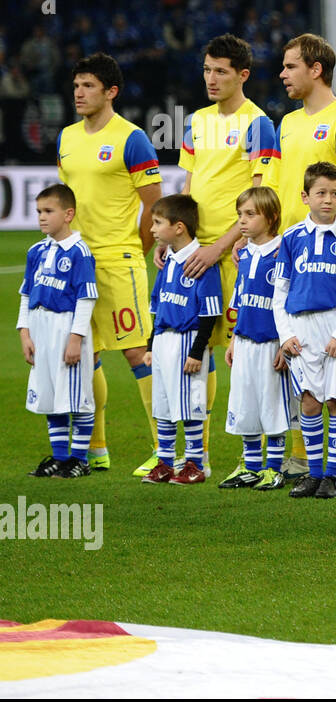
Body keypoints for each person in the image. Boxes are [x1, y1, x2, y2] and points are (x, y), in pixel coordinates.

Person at [255, 34, 336, 486]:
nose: (282, 75)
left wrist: (326, 237)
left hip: (333, 258)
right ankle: (307, 461)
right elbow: (281, 188)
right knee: (301, 359)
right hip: (292, 250)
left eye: (289, 66)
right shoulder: (286, 123)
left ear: (316, 69)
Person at [174, 34, 278, 477]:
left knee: (248, 352)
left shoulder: (259, 124)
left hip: (237, 254)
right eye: (206, 70)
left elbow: (262, 195)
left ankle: (257, 456)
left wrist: (220, 246)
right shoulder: (195, 120)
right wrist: (175, 241)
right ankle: (198, 454)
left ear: (243, 75)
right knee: (201, 350)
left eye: (220, 71)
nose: (211, 79)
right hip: (197, 253)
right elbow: (188, 186)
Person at [56, 52, 163, 474]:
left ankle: (164, 448)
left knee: (138, 352)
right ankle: (95, 449)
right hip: (76, 264)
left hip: (119, 262)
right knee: (85, 353)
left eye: (88, 86)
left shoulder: (132, 138)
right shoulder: (66, 137)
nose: (78, 93)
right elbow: (64, 203)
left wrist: (130, 250)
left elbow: (153, 208)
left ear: (110, 92)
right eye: (76, 85)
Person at [273, 162, 336, 500]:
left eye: (335, 193)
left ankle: (333, 476)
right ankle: (313, 475)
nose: (328, 200)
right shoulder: (291, 238)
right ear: (305, 196)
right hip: (301, 328)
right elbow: (280, 290)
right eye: (321, 193)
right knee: (310, 401)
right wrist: (285, 334)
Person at [140, 195, 225, 485]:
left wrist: (197, 352)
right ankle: (164, 462)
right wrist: (151, 345)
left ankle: (194, 464)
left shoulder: (201, 262)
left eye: (157, 223)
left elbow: (209, 313)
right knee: (162, 404)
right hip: (164, 340)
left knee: (190, 405)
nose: (152, 229)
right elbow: (159, 306)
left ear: (178, 227)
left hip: (188, 342)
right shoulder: (168, 262)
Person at [218, 186, 296, 491]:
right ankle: (251, 467)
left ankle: (273, 468)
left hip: (270, 345)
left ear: (272, 216)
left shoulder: (282, 252)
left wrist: (284, 343)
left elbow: (288, 303)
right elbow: (241, 298)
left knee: (272, 407)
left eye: (250, 214)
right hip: (246, 341)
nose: (242, 221)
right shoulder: (245, 253)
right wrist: (235, 338)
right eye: (240, 215)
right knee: (246, 404)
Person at [19, 183, 97, 479]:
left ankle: (79, 459)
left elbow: (86, 297)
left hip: (65, 327)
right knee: (50, 394)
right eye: (38, 211)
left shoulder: (79, 252)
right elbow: (26, 294)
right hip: (40, 328)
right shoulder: (36, 251)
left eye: (48, 211)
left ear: (68, 214)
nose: (41, 217)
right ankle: (59, 458)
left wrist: (76, 338)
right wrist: (25, 333)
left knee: (76, 396)